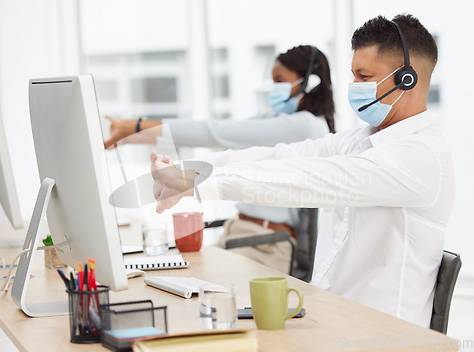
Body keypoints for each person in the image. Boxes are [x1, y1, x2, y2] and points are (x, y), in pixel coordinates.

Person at [149, 14, 454, 327]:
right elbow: (282, 158)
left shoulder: (420, 156)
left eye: (364, 76)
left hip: (380, 337)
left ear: (408, 78)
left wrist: (197, 185)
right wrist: (191, 171)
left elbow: (309, 179)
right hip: (331, 320)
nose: (354, 87)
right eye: (353, 76)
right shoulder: (362, 139)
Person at [105, 45, 335, 273]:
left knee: (190, 281)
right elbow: (218, 132)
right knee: (173, 273)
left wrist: (134, 126)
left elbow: (215, 131)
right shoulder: (279, 119)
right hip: (240, 233)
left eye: (280, 80)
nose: (275, 88)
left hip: (266, 245)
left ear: (309, 83)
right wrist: (130, 136)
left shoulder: (306, 126)